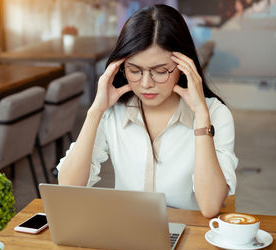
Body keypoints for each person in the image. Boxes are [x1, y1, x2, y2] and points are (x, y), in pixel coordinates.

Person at [57, 4, 238, 218]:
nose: (145, 84)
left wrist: (201, 117)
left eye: (160, 71)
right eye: (135, 70)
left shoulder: (216, 115)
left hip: (190, 239)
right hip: (129, 235)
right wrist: (95, 111)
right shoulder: (113, 111)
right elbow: (69, 188)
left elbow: (210, 207)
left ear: (184, 66)